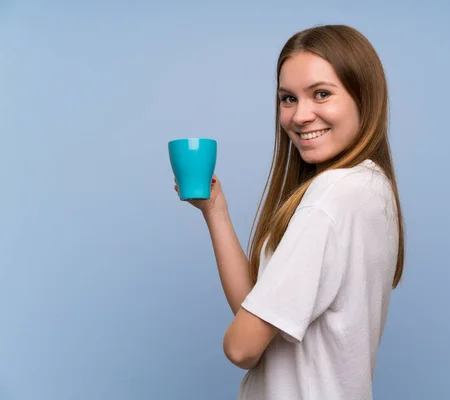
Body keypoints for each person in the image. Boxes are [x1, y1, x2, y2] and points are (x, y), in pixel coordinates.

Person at [174, 24, 405, 400]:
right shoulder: (372, 188)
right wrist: (215, 209)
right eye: (288, 99)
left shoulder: (333, 195)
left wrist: (241, 335)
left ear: (365, 98)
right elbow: (259, 311)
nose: (300, 116)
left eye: (321, 94)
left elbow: (243, 347)